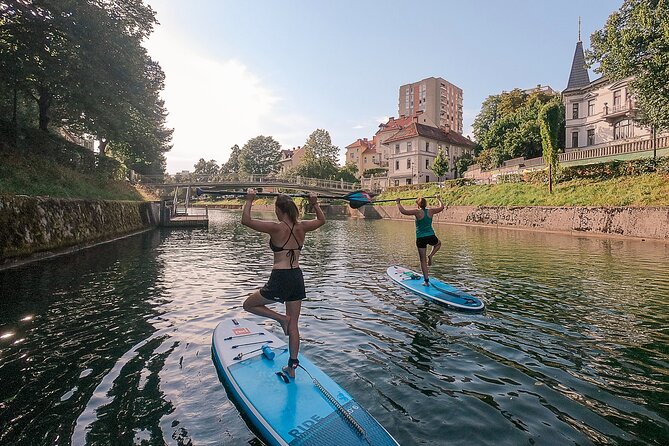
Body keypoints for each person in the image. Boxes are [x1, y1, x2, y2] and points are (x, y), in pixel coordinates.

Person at [241, 188, 325, 379]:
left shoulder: (276, 227)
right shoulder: (302, 226)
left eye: (276, 209)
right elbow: (321, 221)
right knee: (294, 325)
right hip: (297, 276)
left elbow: (246, 220)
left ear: (280, 210)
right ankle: (292, 367)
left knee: (249, 304)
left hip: (280, 277)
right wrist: (314, 203)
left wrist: (250, 200)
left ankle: (280, 319)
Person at [397, 195, 444, 286]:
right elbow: (441, 207)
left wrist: (398, 203)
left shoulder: (417, 212)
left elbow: (403, 211)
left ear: (418, 205)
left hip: (420, 238)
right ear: (425, 204)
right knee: (438, 244)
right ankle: (431, 255)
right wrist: (439, 199)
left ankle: (426, 281)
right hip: (431, 236)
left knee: (423, 261)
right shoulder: (431, 211)